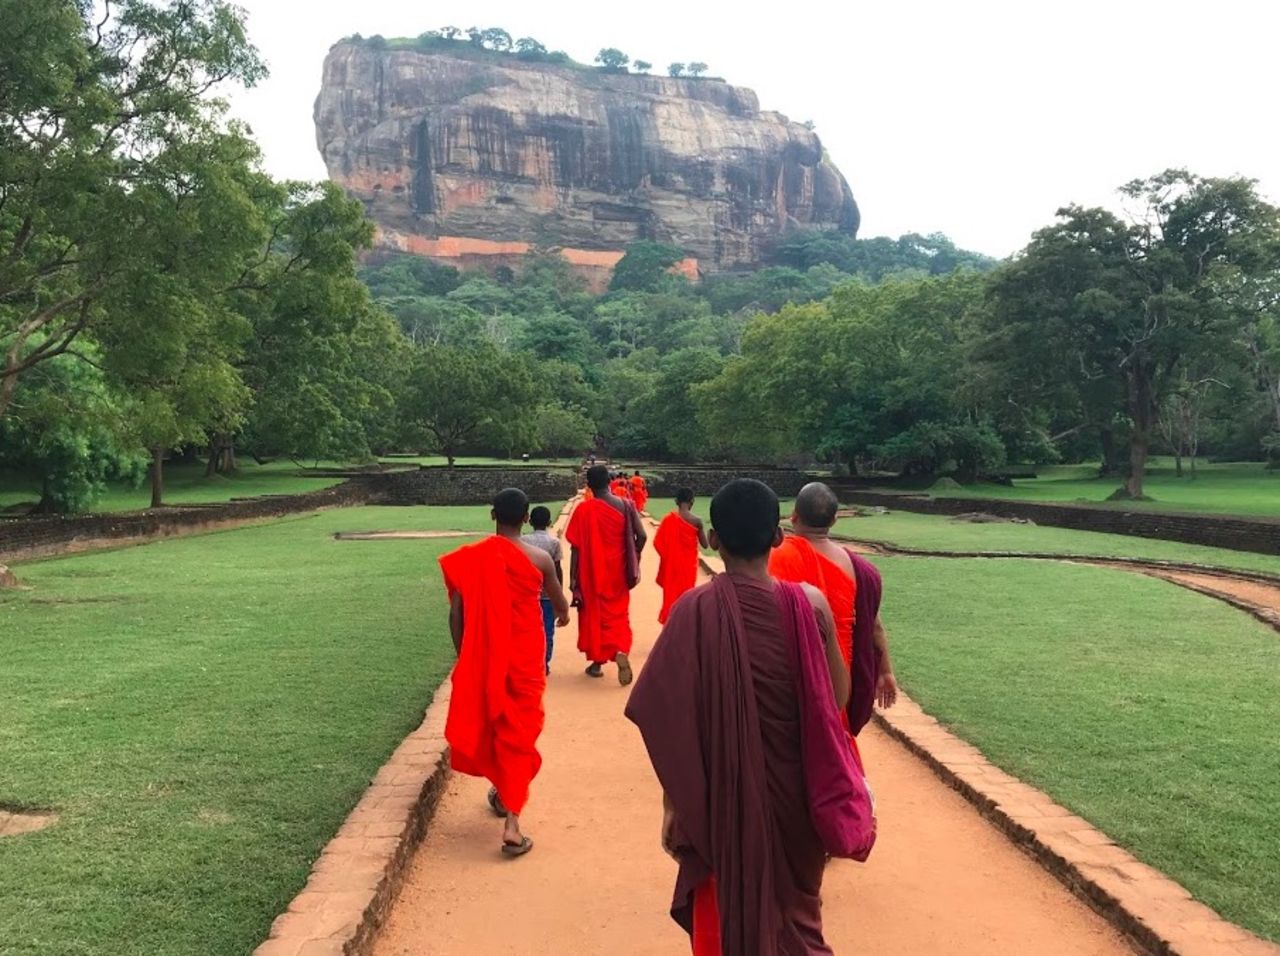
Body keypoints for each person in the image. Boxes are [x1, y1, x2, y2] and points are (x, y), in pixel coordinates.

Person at [626, 478, 848, 955]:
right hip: (798, 799)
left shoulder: (693, 610)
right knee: (798, 921)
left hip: (718, 802)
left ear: (715, 540)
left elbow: (670, 722)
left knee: (724, 919)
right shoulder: (811, 605)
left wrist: (673, 804)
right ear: (776, 537)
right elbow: (839, 698)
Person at [439, 488, 570, 857]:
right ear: (526, 518)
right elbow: (559, 603)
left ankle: (503, 793)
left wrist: (465, 656)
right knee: (520, 732)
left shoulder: (472, 559)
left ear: (491, 515)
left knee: (496, 723)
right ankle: (512, 821)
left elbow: (456, 614)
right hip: (526, 658)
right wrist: (562, 614)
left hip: (487, 657)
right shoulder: (541, 558)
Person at [770, 482, 897, 745]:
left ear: (794, 516)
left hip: (789, 682)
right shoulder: (859, 569)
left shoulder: (776, 557)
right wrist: (886, 672)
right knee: (835, 752)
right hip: (839, 682)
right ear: (835, 520)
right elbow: (873, 627)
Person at [566, 464, 647, 684]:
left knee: (595, 614)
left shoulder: (584, 510)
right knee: (618, 613)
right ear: (609, 482)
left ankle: (597, 663)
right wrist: (633, 556)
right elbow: (642, 536)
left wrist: (573, 578)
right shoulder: (626, 505)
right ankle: (620, 649)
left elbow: (576, 547)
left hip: (591, 572)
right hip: (618, 572)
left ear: (589, 485)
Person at [654, 487, 708, 624]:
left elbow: (657, 543)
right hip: (688, 567)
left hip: (672, 567)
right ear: (692, 502)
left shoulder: (668, 520)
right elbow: (705, 545)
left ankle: (670, 627)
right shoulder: (697, 521)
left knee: (671, 597)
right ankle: (685, 626)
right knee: (687, 597)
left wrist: (670, 556)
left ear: (676, 502)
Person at [521, 505, 564, 675]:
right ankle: (544, 663)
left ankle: (529, 662)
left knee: (527, 630)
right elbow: (557, 570)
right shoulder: (554, 543)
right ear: (549, 522)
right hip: (548, 595)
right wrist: (559, 594)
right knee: (547, 631)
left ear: (530, 521)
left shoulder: (523, 540)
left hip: (527, 594)